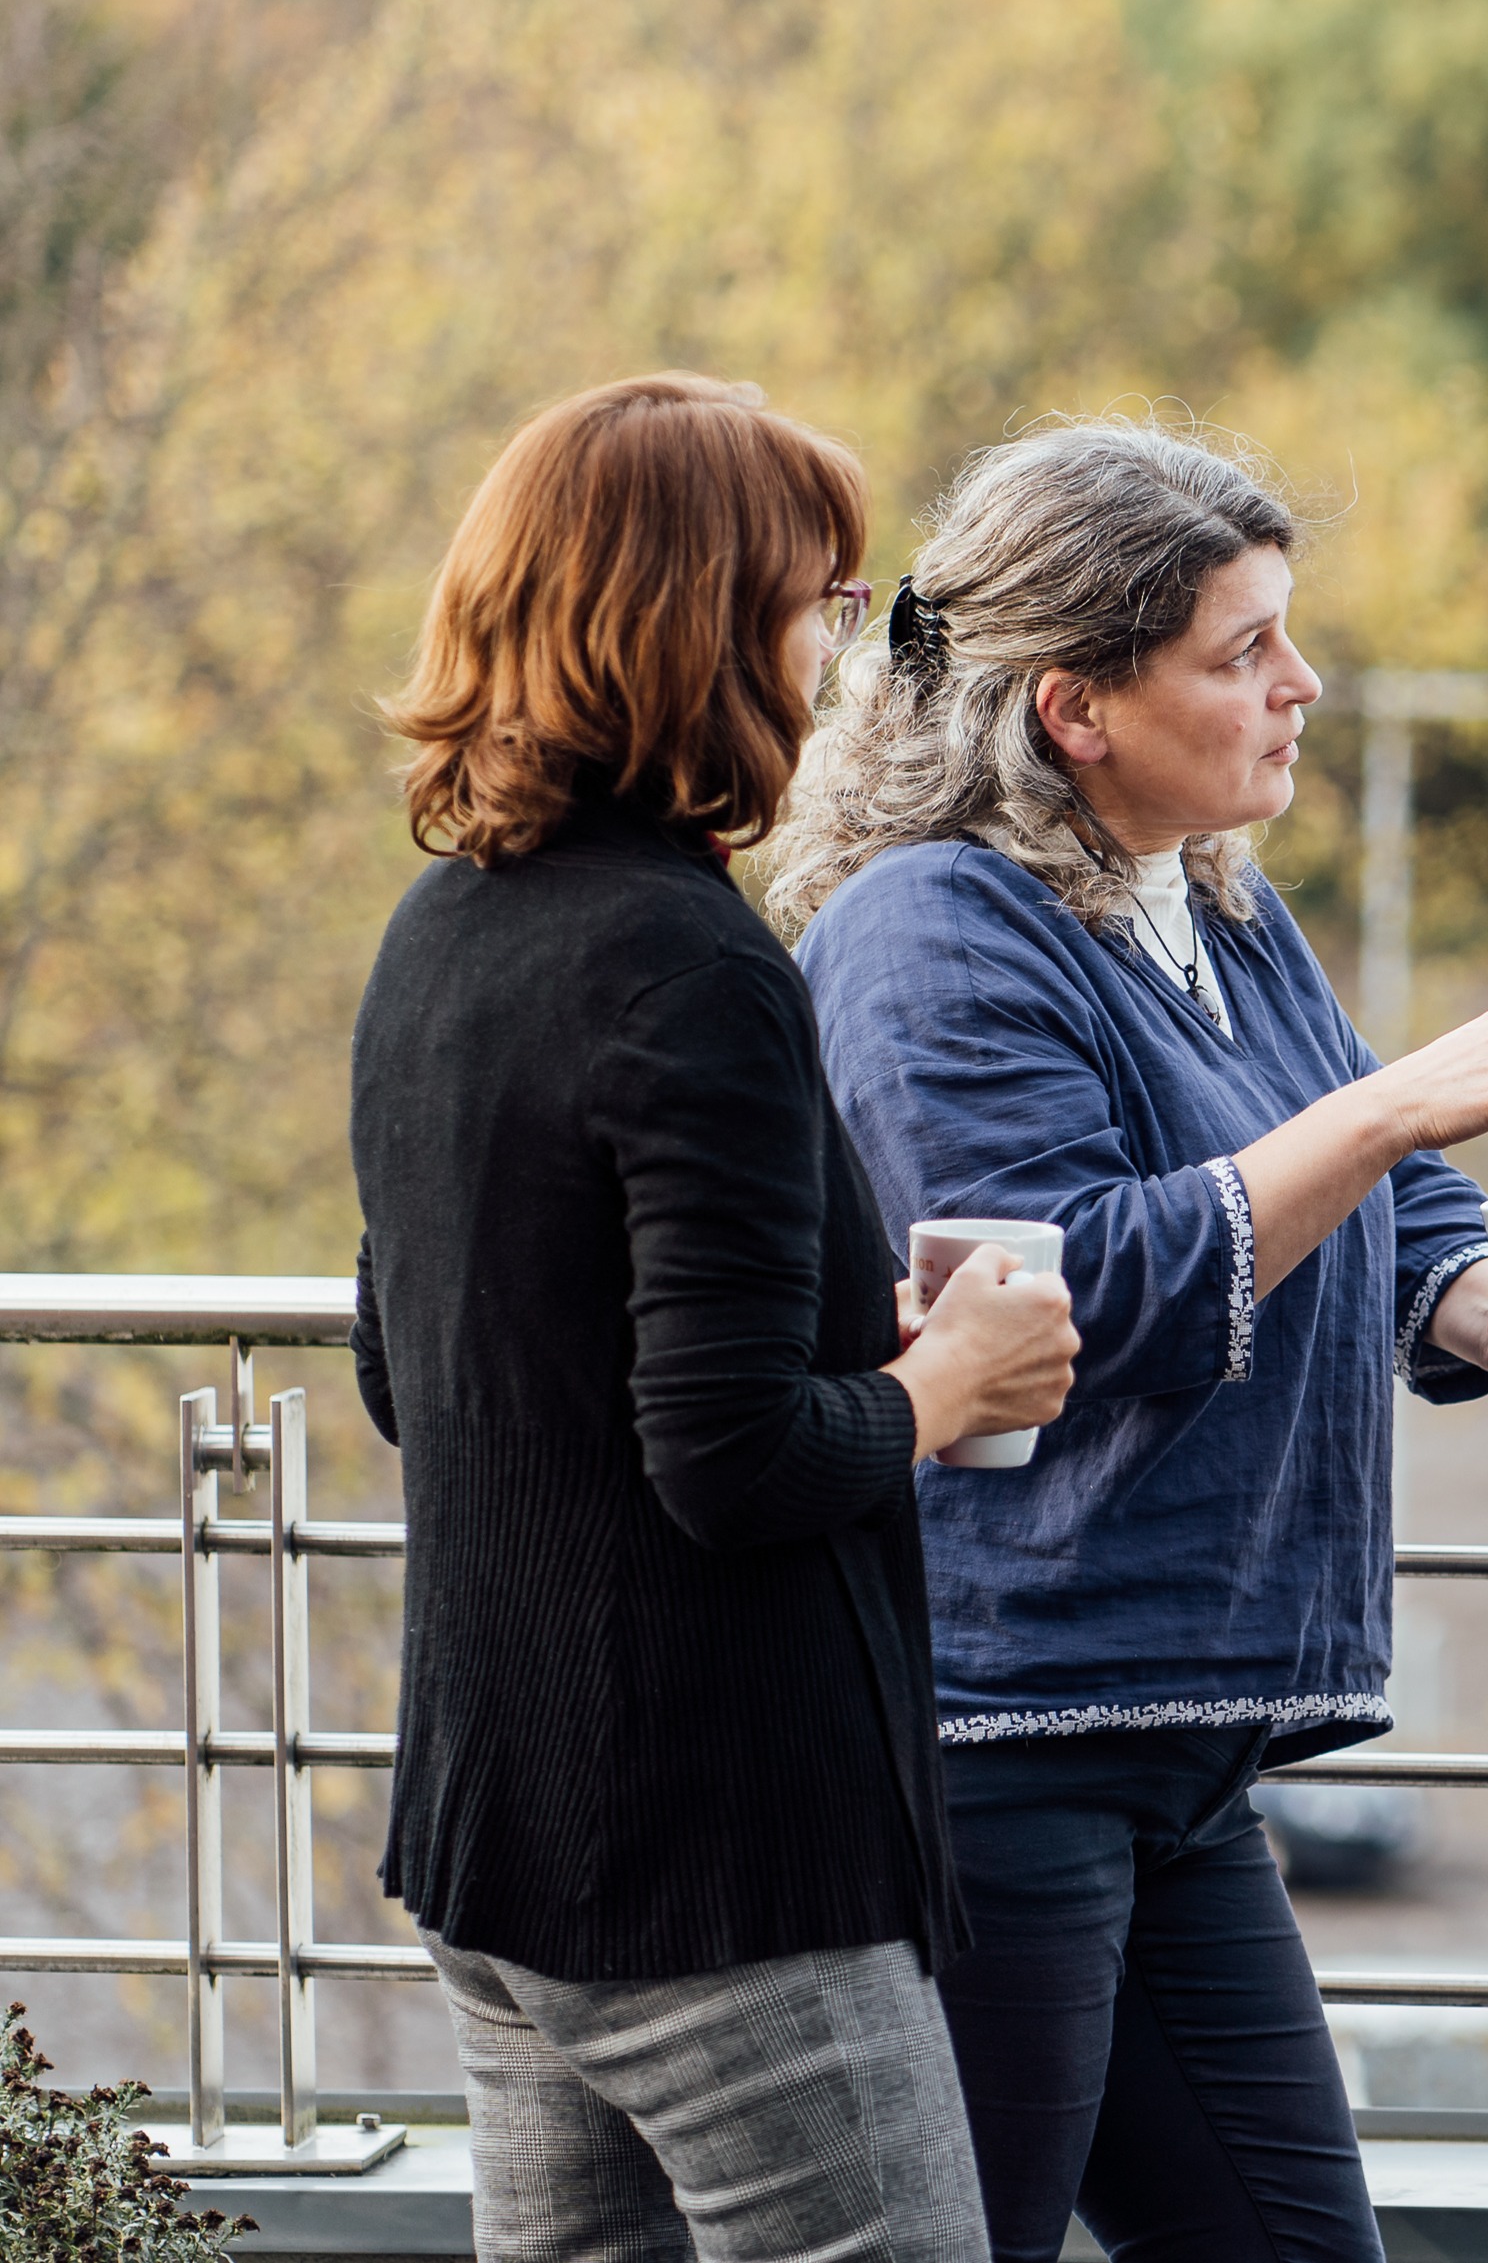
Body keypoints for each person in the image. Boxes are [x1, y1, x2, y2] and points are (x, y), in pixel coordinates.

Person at [766, 415, 1488, 2263]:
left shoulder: (1217, 900)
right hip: (998, 1743)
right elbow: (1065, 1291)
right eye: (1242, 651)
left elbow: (1364, 1181)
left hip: (1170, 1750)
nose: (1299, 686)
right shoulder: (931, 925)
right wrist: (1394, 1111)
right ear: (1074, 705)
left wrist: (1479, 1307)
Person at [350, 372, 1081, 2262]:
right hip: (719, 1865)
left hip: (503, 1843)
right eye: (819, 603)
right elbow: (735, 1456)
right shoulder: (689, 963)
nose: (840, 652)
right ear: (693, 624)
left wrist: (847, 1319)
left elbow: (406, 1365)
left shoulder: (443, 931)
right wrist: (946, 1378)